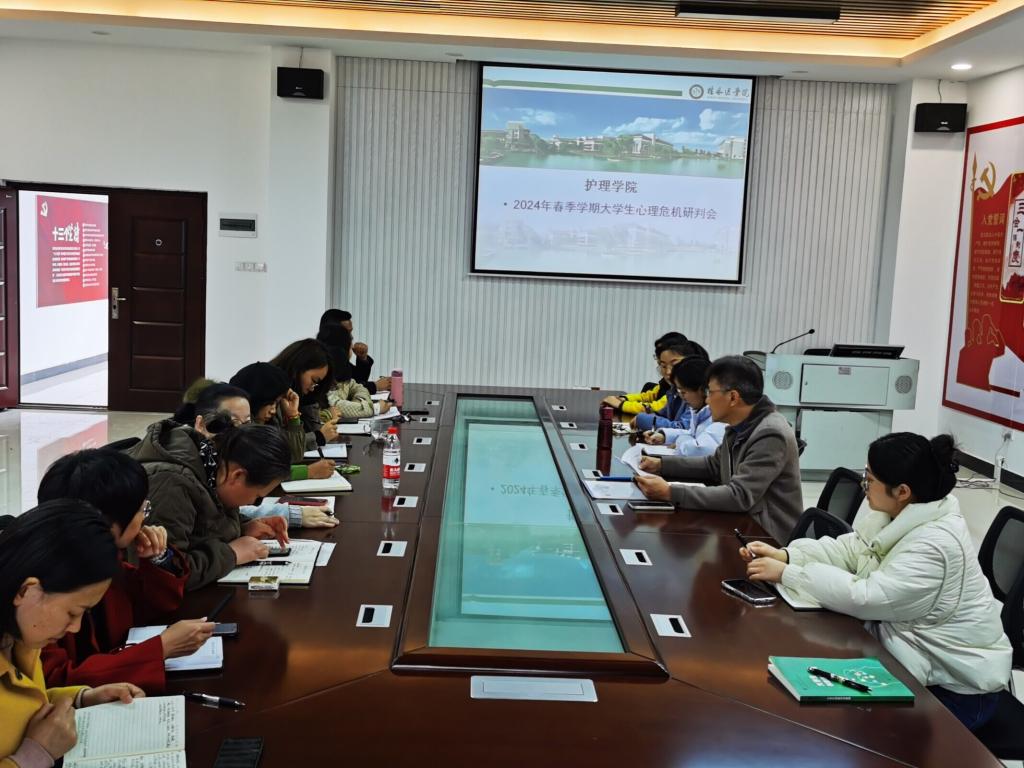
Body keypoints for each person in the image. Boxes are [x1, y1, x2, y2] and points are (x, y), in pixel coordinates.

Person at [742, 433, 1012, 732]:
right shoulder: (896, 514)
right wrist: (788, 556)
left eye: (869, 479)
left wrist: (789, 574)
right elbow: (850, 550)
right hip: (914, 661)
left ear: (902, 491)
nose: (864, 486)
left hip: (957, 689)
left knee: (853, 729)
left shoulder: (935, 545)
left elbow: (866, 597)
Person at [37, 449, 211, 693]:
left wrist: (158, 558)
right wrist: (161, 649)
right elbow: (55, 680)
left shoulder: (98, 558)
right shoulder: (38, 587)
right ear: (105, 524)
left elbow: (147, 607)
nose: (143, 519)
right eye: (141, 510)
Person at [1, 501, 146, 768]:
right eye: (72, 612)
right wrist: (34, 756)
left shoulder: (18, 635)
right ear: (26, 591)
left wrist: (82, 700)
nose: (75, 627)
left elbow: (20, 709)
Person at [636, 355, 802, 543]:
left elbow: (739, 496)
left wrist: (670, 492)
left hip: (765, 536)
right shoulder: (739, 425)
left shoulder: (770, 433)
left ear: (733, 397)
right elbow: (714, 465)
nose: (707, 400)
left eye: (711, 393)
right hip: (741, 523)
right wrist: (661, 465)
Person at [126, 422, 292, 590]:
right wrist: (232, 554)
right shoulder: (172, 486)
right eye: (257, 498)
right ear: (237, 475)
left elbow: (203, 523)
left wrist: (244, 527)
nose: (252, 504)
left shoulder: (213, 467)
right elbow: (166, 572)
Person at [183, 379, 337, 531]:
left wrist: (293, 417)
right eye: (231, 423)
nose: (239, 432)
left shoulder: (218, 457)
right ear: (200, 425)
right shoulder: (184, 472)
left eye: (246, 423)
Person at [229, 363, 337, 482]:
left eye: (276, 403)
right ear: (257, 397)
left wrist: (293, 416)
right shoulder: (238, 425)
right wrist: (308, 471)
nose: (273, 410)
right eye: (270, 402)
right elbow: (261, 472)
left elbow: (294, 456)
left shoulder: (267, 421)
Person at [643, 357, 725, 458]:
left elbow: (698, 449)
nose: (681, 396)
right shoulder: (699, 411)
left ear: (702, 390)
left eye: (683, 392)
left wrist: (679, 442)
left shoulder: (719, 416)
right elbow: (692, 433)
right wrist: (664, 436)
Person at [269, 339, 338, 453]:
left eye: (316, 384)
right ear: (299, 367)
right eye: (314, 381)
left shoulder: (296, 394)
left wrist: (310, 398)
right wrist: (318, 437)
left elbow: (311, 430)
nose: (312, 388)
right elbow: (277, 445)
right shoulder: (273, 393)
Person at [316, 324, 394, 419]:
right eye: (350, 344)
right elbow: (335, 405)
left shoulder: (343, 367)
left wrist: (357, 404)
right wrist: (375, 408)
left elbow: (358, 386)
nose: (353, 347)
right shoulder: (323, 376)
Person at [602, 332, 686, 417]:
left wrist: (621, 405)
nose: (667, 371)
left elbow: (656, 408)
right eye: (663, 365)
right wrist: (624, 398)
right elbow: (648, 396)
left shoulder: (682, 387)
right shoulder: (667, 383)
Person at [632, 340, 708, 433]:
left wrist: (645, 420)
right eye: (663, 366)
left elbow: (684, 428)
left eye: (674, 364)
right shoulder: (673, 390)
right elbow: (661, 414)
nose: (668, 372)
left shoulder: (695, 396)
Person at [319, 309, 390, 394]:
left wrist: (362, 358)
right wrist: (375, 386)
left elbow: (356, 380)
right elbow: (343, 389)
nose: (351, 337)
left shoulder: (337, 354)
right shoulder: (323, 356)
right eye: (347, 332)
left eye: (351, 332)